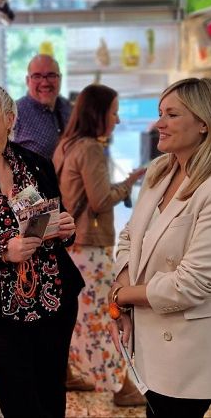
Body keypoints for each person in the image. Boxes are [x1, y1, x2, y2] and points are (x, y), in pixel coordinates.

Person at [108, 78, 211, 418]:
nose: (159, 123)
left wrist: (121, 296)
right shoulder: (161, 170)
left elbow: (191, 283)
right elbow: (130, 237)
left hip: (190, 347)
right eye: (161, 113)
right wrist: (122, 290)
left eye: (171, 115)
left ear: (205, 123)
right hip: (148, 333)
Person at [0, 82, 84, 417]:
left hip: (54, 304)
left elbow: (56, 224)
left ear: (10, 119)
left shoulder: (37, 164)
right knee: (20, 406)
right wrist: (3, 252)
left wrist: (66, 229)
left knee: (52, 400)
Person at [52, 83, 145, 405]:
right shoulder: (90, 148)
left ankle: (68, 372)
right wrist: (128, 185)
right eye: (114, 112)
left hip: (70, 243)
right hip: (90, 247)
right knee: (106, 316)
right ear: (99, 113)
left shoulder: (66, 144)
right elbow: (101, 200)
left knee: (78, 317)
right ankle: (122, 388)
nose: (117, 120)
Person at [13, 54, 72, 160]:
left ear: (60, 78)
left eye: (51, 75)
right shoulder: (14, 114)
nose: (45, 83)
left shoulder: (69, 108)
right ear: (27, 81)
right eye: (37, 76)